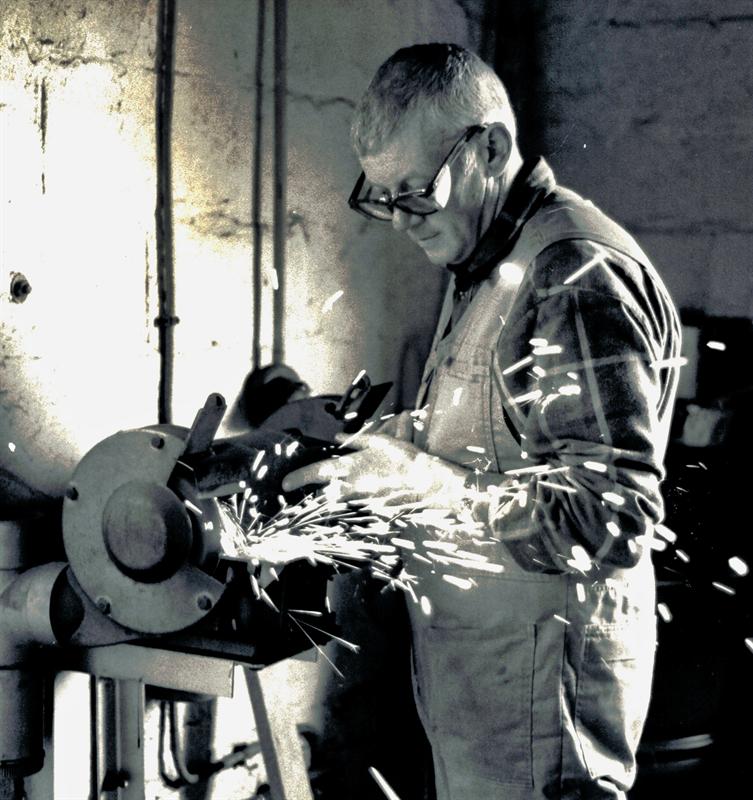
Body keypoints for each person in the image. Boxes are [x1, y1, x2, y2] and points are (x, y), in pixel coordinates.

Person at [283, 43, 681, 799]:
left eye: (414, 192)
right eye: (381, 198)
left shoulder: (570, 274)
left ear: (490, 149)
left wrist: (419, 482)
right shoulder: (486, 258)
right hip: (494, 690)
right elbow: (504, 443)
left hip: (543, 707)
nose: (400, 221)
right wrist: (395, 450)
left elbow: (609, 518)